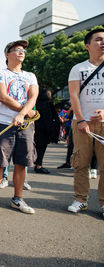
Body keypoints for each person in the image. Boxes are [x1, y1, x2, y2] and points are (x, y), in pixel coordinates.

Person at [0, 40, 38, 214]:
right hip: (3, 123)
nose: (21, 52)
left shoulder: (30, 75)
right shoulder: (0, 73)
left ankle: (17, 198)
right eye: (16, 50)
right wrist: (23, 112)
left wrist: (22, 114)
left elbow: (33, 97)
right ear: (7, 54)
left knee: (22, 163)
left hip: (25, 125)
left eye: (23, 50)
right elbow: (3, 97)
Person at [67, 28, 104, 216]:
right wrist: (80, 119)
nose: (103, 42)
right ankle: (80, 199)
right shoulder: (78, 69)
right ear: (87, 46)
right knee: (81, 163)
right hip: (82, 124)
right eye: (98, 39)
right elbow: (74, 95)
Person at [34, 88, 60, 174]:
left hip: (35, 128)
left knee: (35, 147)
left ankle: (36, 163)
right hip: (44, 130)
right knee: (42, 148)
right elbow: (51, 118)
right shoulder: (48, 104)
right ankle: (38, 165)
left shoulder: (35, 103)